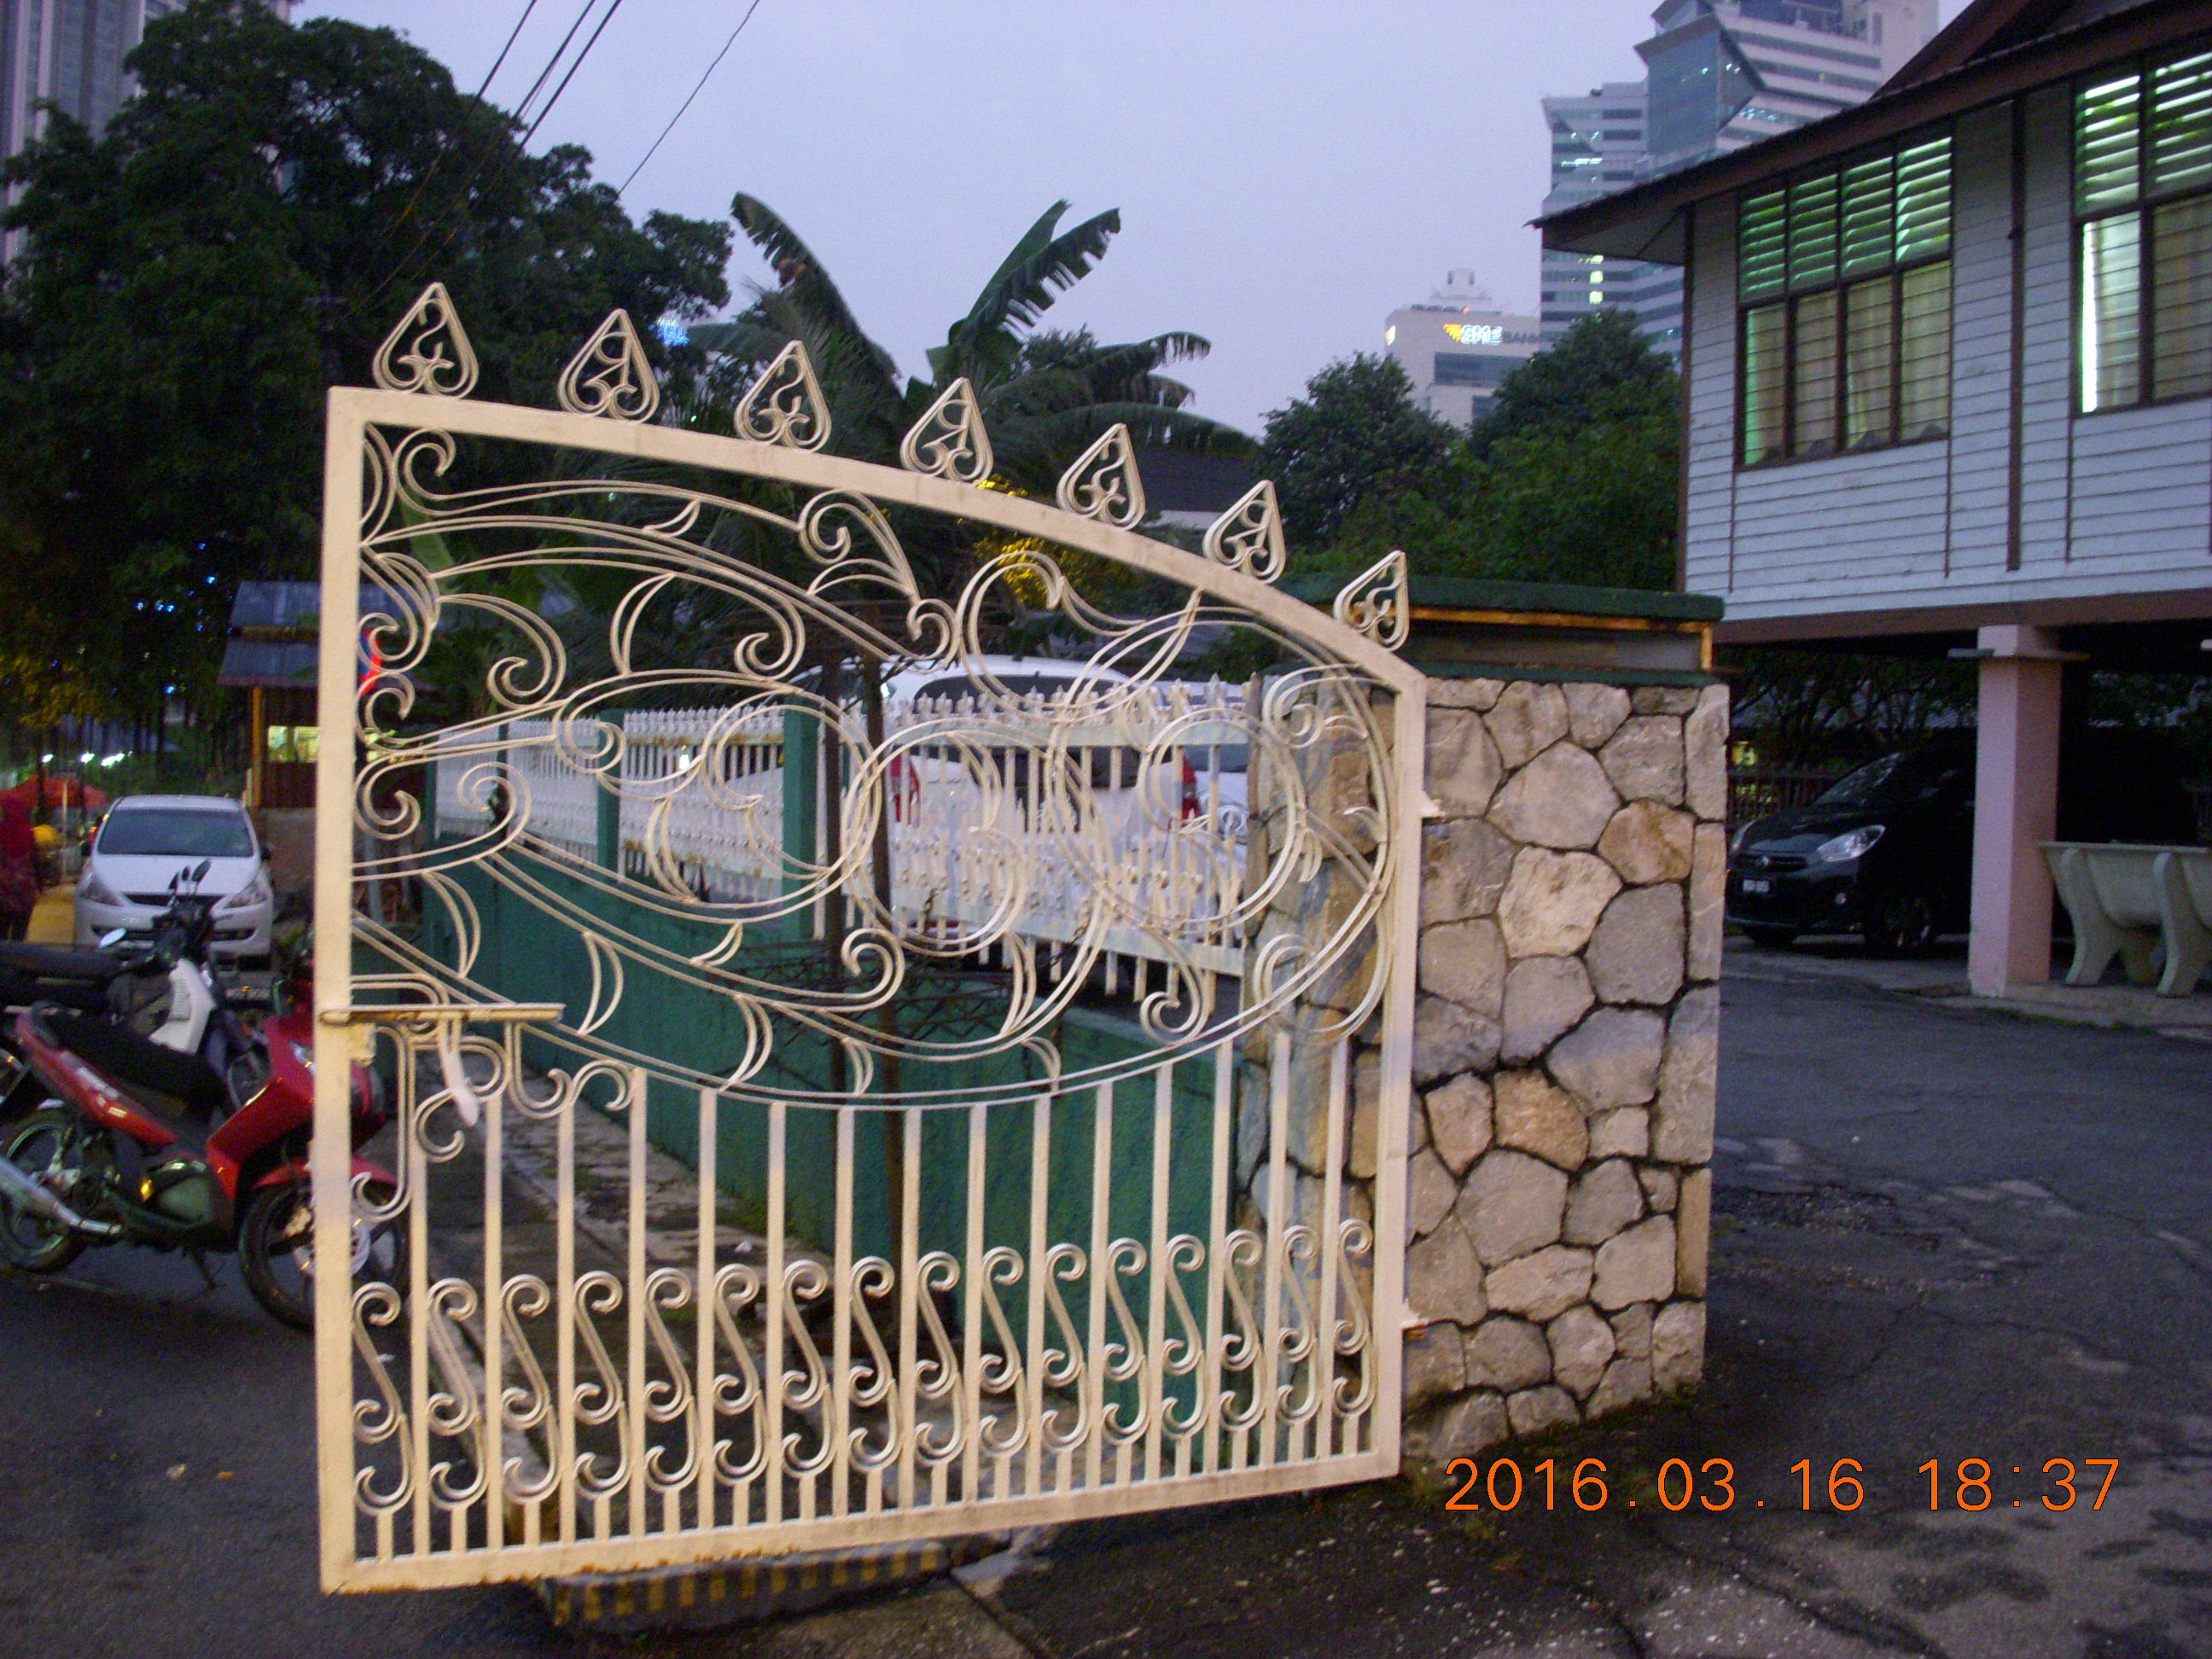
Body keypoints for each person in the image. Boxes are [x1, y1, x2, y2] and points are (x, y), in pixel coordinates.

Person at [0, 797, 38, 941]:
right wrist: (40, 885)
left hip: (3, 891)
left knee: (2, 931)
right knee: (19, 932)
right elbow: (35, 859)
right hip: (24, 890)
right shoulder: (27, 832)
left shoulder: (1, 831)